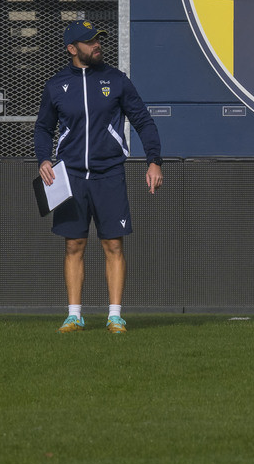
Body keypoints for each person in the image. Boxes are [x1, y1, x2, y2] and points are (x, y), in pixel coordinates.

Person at [34, 20, 163, 334]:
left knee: (113, 245)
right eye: (90, 42)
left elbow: (144, 122)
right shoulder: (56, 85)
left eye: (98, 40)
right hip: (71, 177)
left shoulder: (116, 80)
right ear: (72, 49)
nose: (97, 45)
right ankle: (74, 315)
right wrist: (43, 159)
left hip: (109, 175)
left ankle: (115, 315)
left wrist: (154, 161)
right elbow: (42, 128)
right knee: (74, 245)